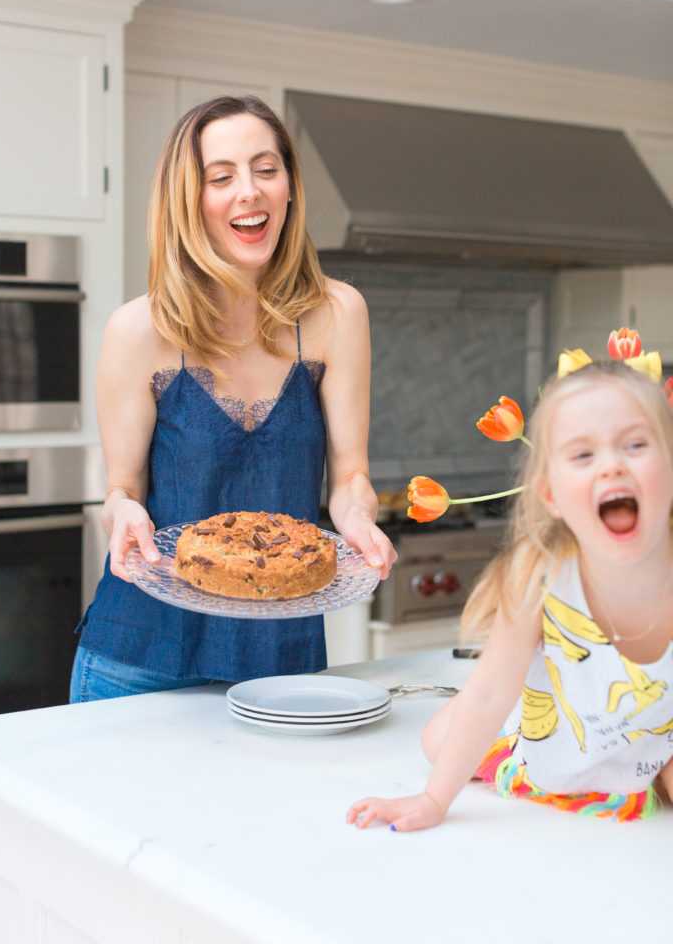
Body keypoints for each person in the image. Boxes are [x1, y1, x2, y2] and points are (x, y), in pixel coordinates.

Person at [71, 95, 396, 702]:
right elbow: (122, 492)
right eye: (221, 177)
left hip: (281, 660)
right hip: (140, 661)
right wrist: (126, 516)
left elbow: (351, 475)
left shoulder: (337, 314)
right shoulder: (138, 331)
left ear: (290, 188)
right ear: (189, 200)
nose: (248, 191)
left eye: (265, 169)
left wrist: (356, 520)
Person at [348, 360, 673, 829]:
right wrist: (434, 801)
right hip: (548, 742)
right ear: (551, 495)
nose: (612, 466)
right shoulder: (540, 576)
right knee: (438, 740)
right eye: (582, 455)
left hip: (648, 736)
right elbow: (487, 696)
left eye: (636, 445)